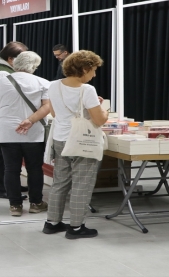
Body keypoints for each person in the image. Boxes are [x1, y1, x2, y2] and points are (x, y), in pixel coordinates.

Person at [43, 50, 108, 239]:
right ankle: (76, 227)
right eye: (93, 70)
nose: (94, 75)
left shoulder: (53, 85)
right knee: (82, 184)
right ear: (85, 69)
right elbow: (99, 120)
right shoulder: (87, 90)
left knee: (60, 182)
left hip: (60, 138)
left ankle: (52, 222)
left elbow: (55, 114)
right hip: (82, 140)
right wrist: (100, 107)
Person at [0, 51, 51, 217]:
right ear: (34, 67)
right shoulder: (43, 82)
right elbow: (47, 107)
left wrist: (8, 111)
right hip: (33, 132)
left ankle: (15, 205)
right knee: (35, 168)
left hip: (7, 131)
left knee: (11, 169)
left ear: (15, 63)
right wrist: (30, 119)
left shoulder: (0, 82)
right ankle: (36, 203)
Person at [0, 41, 29, 200]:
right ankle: (3, 188)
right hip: (1, 117)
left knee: (6, 155)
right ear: (11, 58)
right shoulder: (1, 73)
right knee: (4, 156)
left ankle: (10, 185)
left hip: (1, 116)